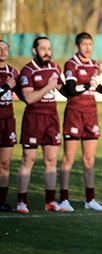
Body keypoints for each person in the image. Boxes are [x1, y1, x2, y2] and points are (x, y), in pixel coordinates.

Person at [16, 36, 64, 213]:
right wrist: (48, 86)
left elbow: (63, 89)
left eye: (49, 49)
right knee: (28, 159)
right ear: (35, 50)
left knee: (51, 160)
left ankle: (50, 201)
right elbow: (28, 98)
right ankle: (22, 201)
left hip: (51, 118)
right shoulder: (28, 71)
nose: (47, 53)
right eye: (43, 49)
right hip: (34, 119)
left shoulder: (56, 68)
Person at [60, 32, 102, 212]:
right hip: (74, 113)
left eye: (90, 44)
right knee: (68, 158)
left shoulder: (94, 64)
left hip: (91, 114)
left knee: (89, 159)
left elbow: (96, 86)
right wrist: (88, 84)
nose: (87, 47)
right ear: (78, 46)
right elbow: (71, 90)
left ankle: (90, 199)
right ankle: (64, 199)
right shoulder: (71, 64)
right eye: (84, 44)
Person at [0, 40, 19, 212]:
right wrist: (7, 86)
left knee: (5, 163)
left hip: (7, 122)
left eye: (5, 48)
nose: (2, 51)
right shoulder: (10, 80)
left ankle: (2, 201)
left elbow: (25, 95)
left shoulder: (14, 72)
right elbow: (7, 88)